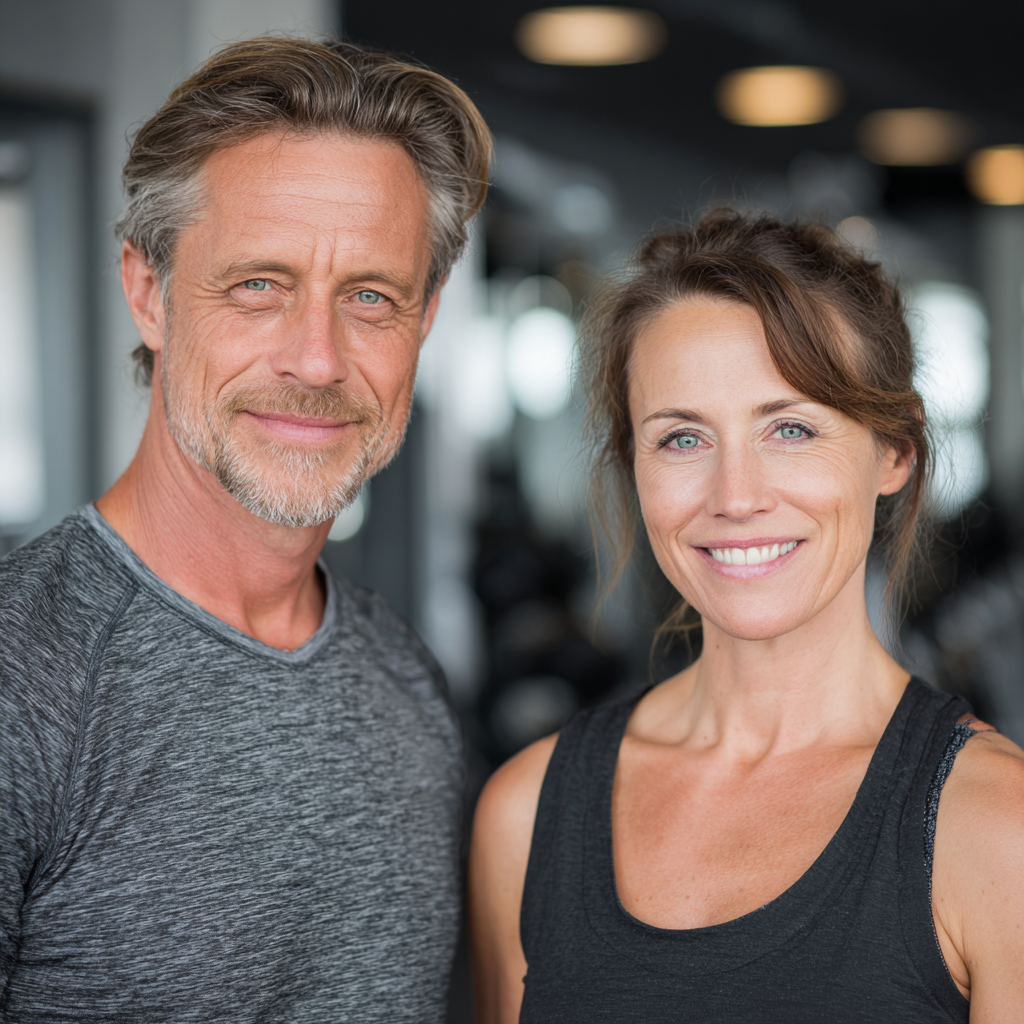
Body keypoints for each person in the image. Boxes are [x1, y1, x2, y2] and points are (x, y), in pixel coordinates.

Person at [0, 38, 491, 1021]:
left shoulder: (407, 683)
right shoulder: (24, 678)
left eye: (370, 297)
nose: (316, 358)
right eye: (259, 285)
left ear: (426, 318)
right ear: (147, 290)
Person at [469, 210, 1024, 1023]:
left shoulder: (996, 829)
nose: (735, 497)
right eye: (683, 440)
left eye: (790, 428)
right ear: (633, 465)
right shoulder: (526, 813)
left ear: (895, 451)